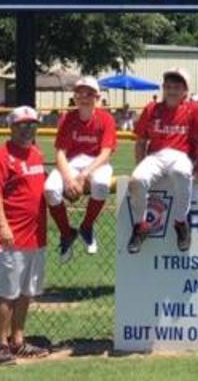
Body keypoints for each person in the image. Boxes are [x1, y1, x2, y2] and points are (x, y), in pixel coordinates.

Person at [0, 106, 50, 365]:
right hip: (11, 236)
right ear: (11, 127)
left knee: (26, 292)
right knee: (6, 293)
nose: (28, 129)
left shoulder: (36, 154)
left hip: (36, 235)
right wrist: (3, 226)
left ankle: (18, 341)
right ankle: (1, 346)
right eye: (22, 124)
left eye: (32, 124)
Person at [127, 68, 198, 254]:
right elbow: (141, 140)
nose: (172, 90)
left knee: (182, 173)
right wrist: (140, 165)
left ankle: (180, 222)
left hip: (180, 154)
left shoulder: (193, 110)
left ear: (185, 91)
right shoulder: (152, 109)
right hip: (156, 155)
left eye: (177, 87)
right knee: (137, 179)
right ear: (163, 88)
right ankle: (140, 226)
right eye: (168, 86)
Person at [45, 77, 117, 261]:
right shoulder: (67, 118)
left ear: (97, 97)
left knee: (101, 183)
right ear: (74, 97)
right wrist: (69, 178)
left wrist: (84, 175)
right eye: (80, 93)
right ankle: (66, 232)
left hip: (97, 162)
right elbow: (60, 152)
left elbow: (105, 153)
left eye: (89, 93)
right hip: (72, 163)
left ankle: (86, 226)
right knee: (50, 189)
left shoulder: (106, 118)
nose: (84, 97)